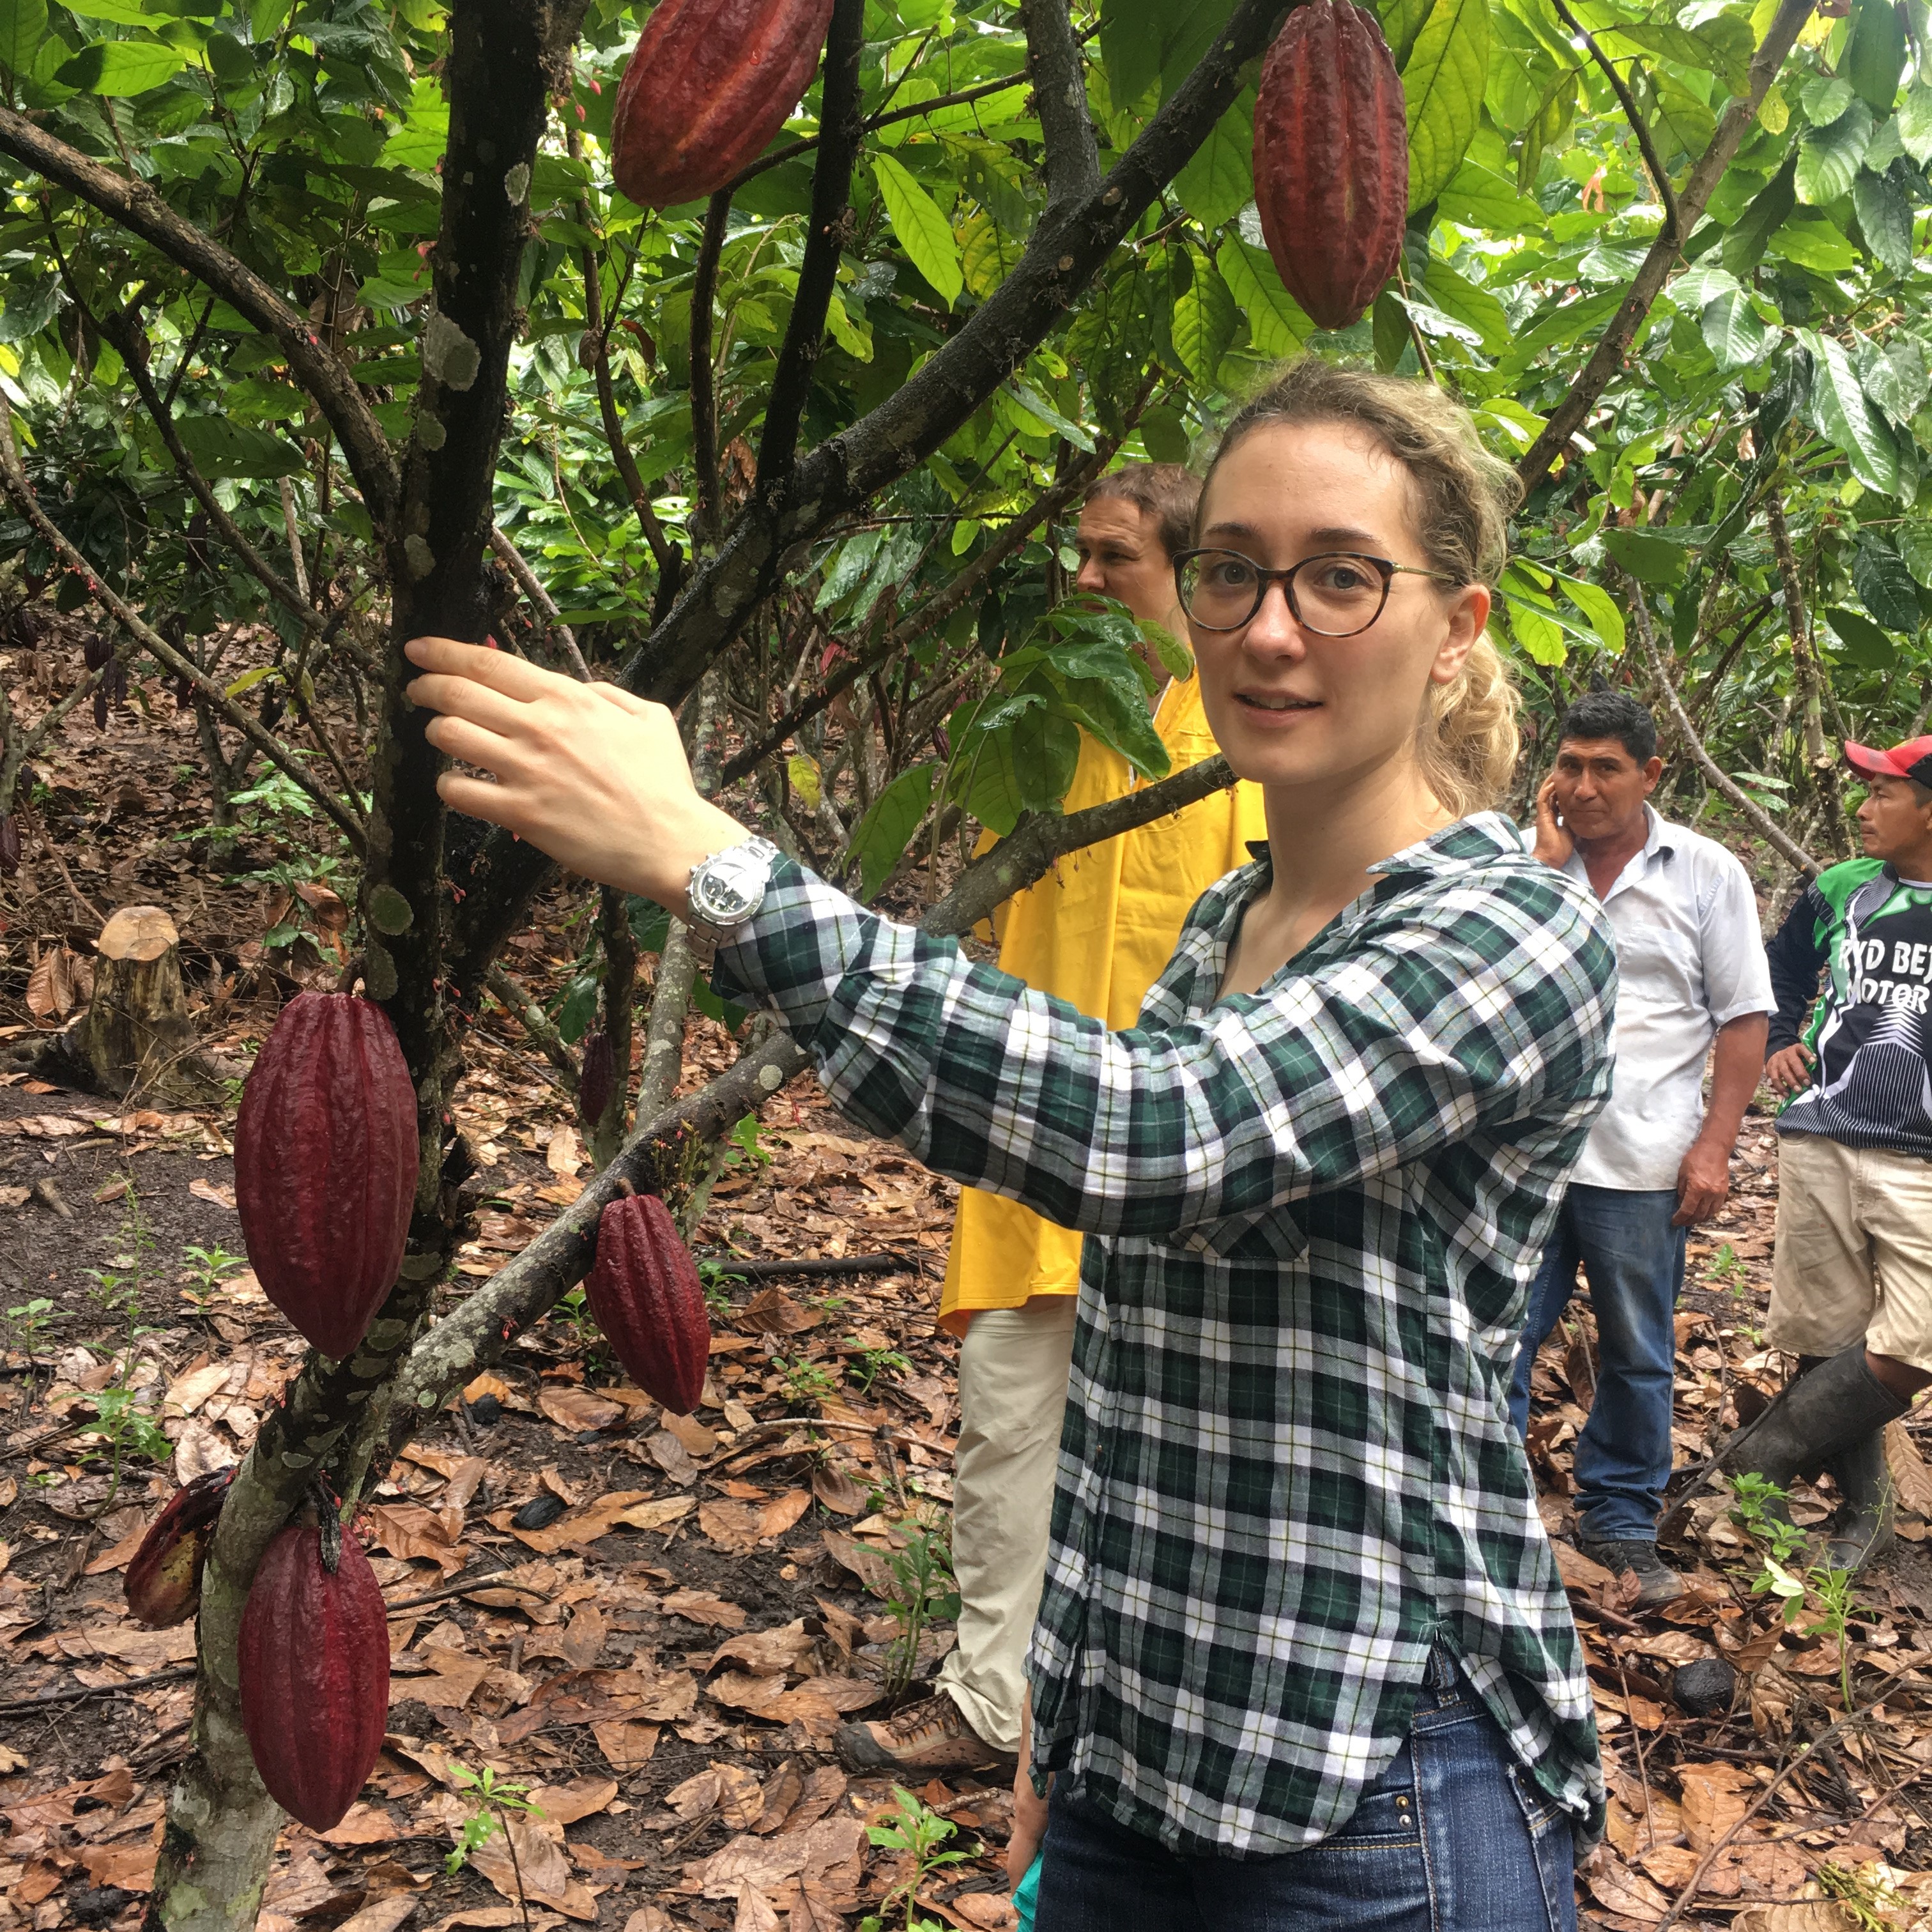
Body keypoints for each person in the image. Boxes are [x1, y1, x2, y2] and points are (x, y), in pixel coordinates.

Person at [405, 358, 1616, 1931]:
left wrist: (713, 864)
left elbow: (1155, 1139)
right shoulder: (1228, 925)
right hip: (1139, 1777)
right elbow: (1135, 1362)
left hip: (1371, 1796)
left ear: (1455, 630)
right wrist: (1070, 1705)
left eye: (1338, 580)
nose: (1266, 627)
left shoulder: (1507, 931)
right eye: (1232, 570)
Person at [839, 466, 1269, 1776]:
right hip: (1031, 1159)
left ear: (1195, 581)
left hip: (1194, 1178)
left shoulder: (1247, 742)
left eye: (1112, 559)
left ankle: (1158, 1722)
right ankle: (990, 1702)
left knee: (1193, 1468)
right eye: (1075, 556)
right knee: (1010, 1432)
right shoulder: (1047, 732)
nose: (1080, 581)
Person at [1508, 693, 1773, 1606]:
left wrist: (1714, 1147)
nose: (1583, 787)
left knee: (1637, 1348)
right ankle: (1491, 1506)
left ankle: (1618, 1518)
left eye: (1606, 768)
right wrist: (1542, 872)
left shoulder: (1705, 873)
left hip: (1641, 1156)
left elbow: (1743, 1017)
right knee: (1499, 1329)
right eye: (1570, 765)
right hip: (1525, 1154)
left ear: (1651, 774)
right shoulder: (1526, 861)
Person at [1721, 735, 1932, 1570]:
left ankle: (1760, 1458)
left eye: (1883, 794)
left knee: (1913, 1342)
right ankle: (1865, 1511)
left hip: (1922, 1155)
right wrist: (1778, 1038)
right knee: (1829, 1330)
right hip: (1825, 1132)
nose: (1862, 808)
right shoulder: (1842, 889)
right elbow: (1781, 965)